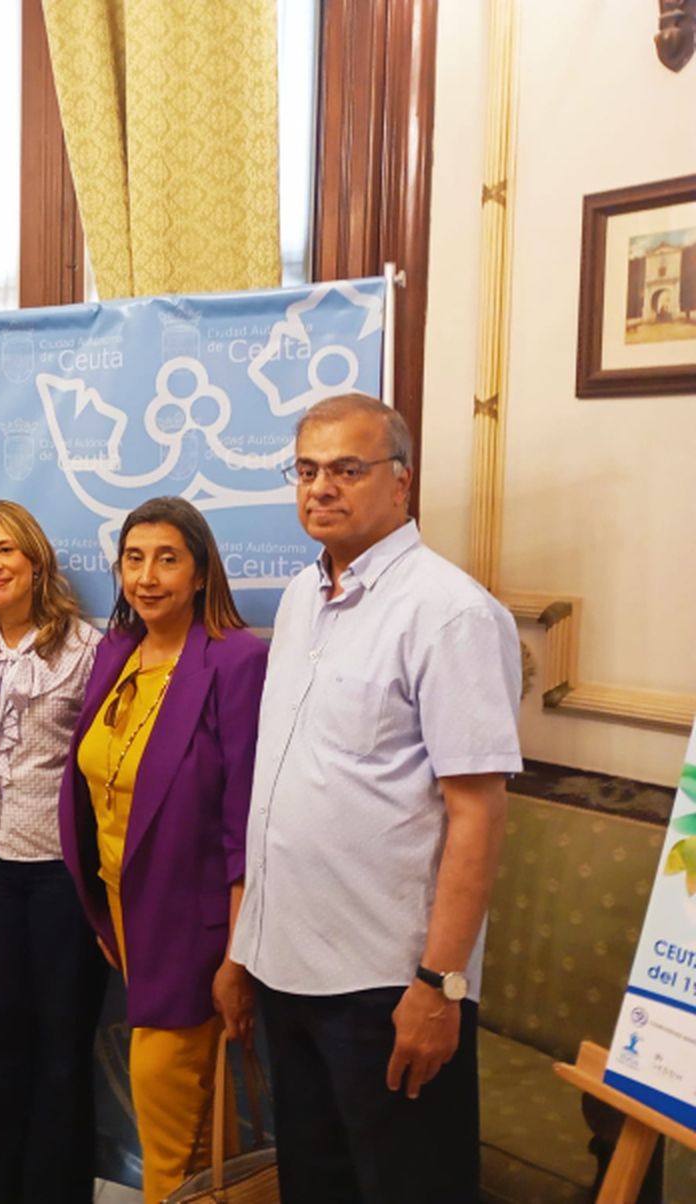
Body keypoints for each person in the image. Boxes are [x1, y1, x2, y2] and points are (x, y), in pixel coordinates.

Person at [229, 393, 521, 1203]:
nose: (321, 487)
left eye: (347, 470)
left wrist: (439, 986)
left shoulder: (449, 613)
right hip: (290, 965)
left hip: (388, 985)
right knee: (315, 1186)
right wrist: (246, 945)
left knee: (408, 1187)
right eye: (308, 470)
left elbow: (477, 813)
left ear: (402, 481)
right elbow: (286, 786)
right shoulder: (299, 598)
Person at [59, 496, 266, 1202]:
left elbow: (245, 827)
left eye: (168, 559)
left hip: (195, 923)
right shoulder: (118, 650)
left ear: (203, 573)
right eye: (134, 559)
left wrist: (237, 959)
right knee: (186, 1109)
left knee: (166, 1115)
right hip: (123, 908)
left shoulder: (237, 662)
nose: (147, 577)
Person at [0, 499, 106, 1204]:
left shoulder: (87, 649)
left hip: (60, 876)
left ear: (35, 559)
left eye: (4, 550)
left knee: (61, 1046)